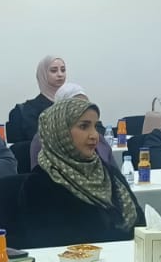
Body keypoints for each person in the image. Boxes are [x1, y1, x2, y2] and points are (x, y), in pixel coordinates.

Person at [16, 97, 146, 249]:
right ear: (61, 132)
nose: (94, 135)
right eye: (84, 126)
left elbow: (140, 224)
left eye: (95, 127)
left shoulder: (106, 172)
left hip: (127, 258)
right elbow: (53, 245)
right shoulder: (39, 184)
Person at [6, 54, 67, 159]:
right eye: (54, 71)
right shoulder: (24, 111)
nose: (60, 74)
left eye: (63, 70)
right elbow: (19, 151)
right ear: (42, 75)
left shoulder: (72, 107)